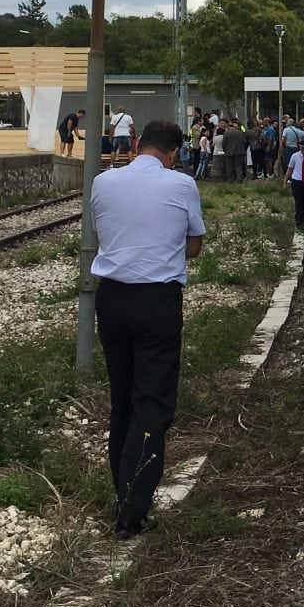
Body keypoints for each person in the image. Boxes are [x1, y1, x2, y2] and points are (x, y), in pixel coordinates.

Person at [88, 119, 206, 539]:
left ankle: (122, 494)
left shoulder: (103, 182)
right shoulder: (182, 185)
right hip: (157, 301)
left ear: (137, 143)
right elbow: (193, 246)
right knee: (152, 402)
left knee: (122, 399)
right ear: (173, 152)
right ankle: (132, 512)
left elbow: (106, 232)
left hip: (111, 299)